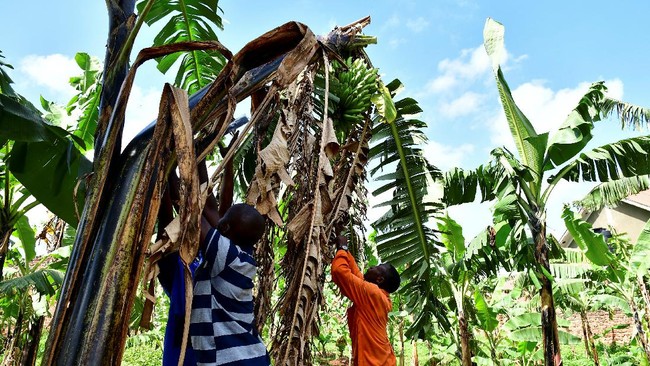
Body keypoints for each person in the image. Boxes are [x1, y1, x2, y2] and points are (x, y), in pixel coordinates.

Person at [331, 234, 401, 366]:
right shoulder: (377, 295)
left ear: (379, 279)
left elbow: (339, 271)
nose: (371, 267)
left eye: (376, 268)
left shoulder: (372, 293)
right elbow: (356, 273)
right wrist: (345, 250)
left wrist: (342, 247)